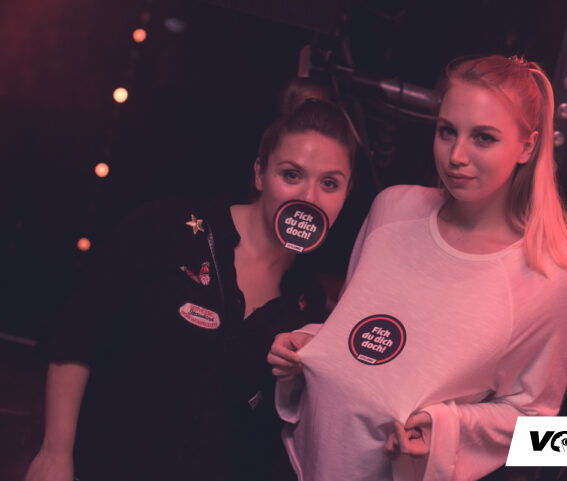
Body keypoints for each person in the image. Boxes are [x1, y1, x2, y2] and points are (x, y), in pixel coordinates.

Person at [267, 55, 567, 481]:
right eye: (447, 131)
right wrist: (308, 343)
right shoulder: (393, 207)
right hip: (291, 460)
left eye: (484, 138)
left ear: (527, 147)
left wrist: (444, 430)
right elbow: (352, 325)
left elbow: (532, 420)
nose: (457, 155)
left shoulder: (551, 277)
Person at [24, 99, 356, 481]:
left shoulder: (309, 305)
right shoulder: (166, 228)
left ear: (345, 195)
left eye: (329, 183)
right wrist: (55, 451)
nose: (309, 198)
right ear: (260, 173)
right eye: (291, 174)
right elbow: (78, 333)